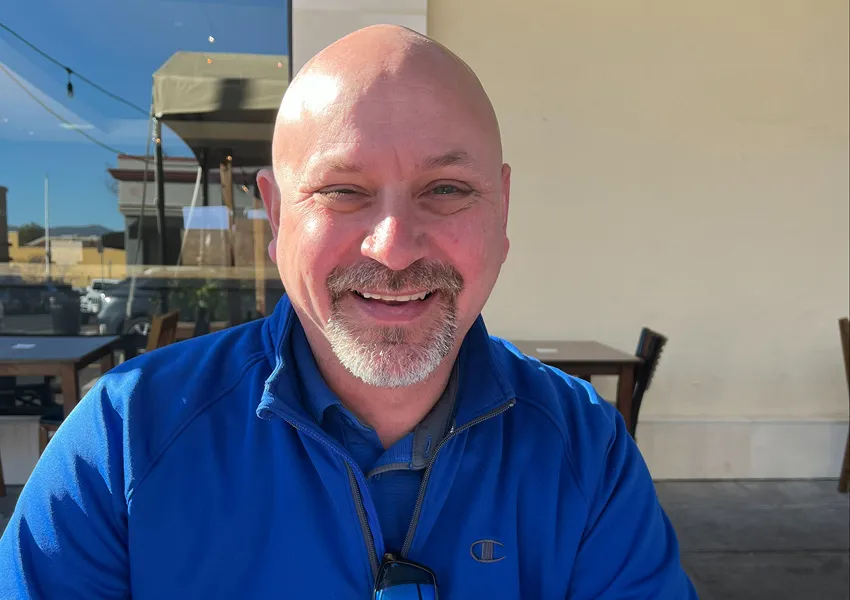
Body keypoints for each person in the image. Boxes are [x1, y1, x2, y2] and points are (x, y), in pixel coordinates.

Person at [0, 25, 697, 599]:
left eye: (447, 189)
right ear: (276, 216)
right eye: (342, 191)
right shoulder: (124, 441)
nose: (393, 247)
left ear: (503, 210)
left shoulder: (587, 451)